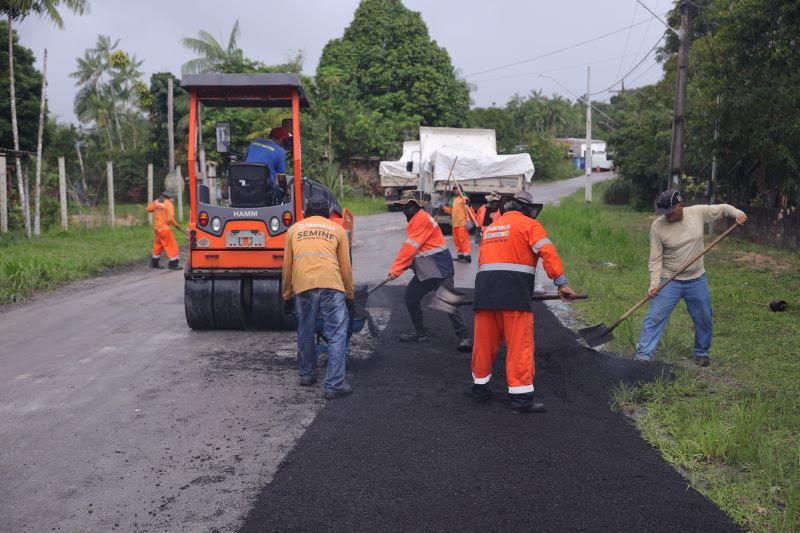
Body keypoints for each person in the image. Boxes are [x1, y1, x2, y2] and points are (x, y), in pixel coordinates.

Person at [470, 190, 577, 413]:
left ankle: (479, 390)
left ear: (507, 207)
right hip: (514, 296)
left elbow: (485, 262)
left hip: (484, 295)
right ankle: (521, 400)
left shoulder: (490, 229)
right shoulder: (529, 225)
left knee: (483, 346)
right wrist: (561, 283)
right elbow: (547, 253)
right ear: (527, 210)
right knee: (519, 347)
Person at [635, 189, 747, 366]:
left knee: (704, 317)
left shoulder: (697, 213)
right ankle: (643, 357)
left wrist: (738, 213)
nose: (667, 215)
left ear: (681, 205)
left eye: (670, 211)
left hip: (696, 279)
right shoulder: (657, 226)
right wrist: (654, 284)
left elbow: (724, 208)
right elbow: (655, 259)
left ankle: (702, 353)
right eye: (664, 212)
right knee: (654, 317)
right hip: (668, 280)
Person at [282, 195, 356, 399]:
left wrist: (287, 296)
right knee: (337, 334)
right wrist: (350, 296)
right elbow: (345, 268)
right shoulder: (338, 230)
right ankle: (334, 385)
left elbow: (287, 267)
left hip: (303, 286)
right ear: (328, 213)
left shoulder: (293, 230)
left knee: (305, 329)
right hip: (332, 286)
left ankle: (307, 375)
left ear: (306, 212)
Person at [388, 190, 472, 352]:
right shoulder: (416, 220)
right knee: (411, 298)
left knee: (448, 301)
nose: (404, 210)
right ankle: (420, 333)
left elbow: (410, 248)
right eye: (403, 207)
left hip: (439, 268)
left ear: (415, 206)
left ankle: (464, 337)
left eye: (407, 206)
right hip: (426, 269)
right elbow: (418, 248)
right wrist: (405, 265)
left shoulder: (420, 219)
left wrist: (396, 270)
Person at [244, 127, 290, 200]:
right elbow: (281, 178)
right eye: (285, 143)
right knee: (283, 196)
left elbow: (244, 162)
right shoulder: (280, 151)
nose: (283, 145)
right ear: (281, 139)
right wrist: (286, 191)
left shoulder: (253, 143)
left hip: (245, 186)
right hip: (265, 190)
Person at [146, 188, 185, 270]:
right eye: (173, 197)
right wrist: (177, 225)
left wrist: (157, 207)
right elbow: (170, 219)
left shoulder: (157, 201)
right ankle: (173, 264)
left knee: (158, 246)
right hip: (164, 229)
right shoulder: (169, 204)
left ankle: (154, 263)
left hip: (157, 229)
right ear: (170, 196)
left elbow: (148, 209)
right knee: (172, 246)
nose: (173, 199)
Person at [442, 185, 475, 262]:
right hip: (454, 223)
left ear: (460, 189)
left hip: (462, 223)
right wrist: (443, 207)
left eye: (456, 189)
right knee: (456, 240)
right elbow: (450, 211)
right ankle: (460, 256)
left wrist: (467, 203)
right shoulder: (453, 200)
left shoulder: (464, 198)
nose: (455, 190)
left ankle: (467, 256)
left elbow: (469, 209)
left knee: (463, 240)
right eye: (454, 189)